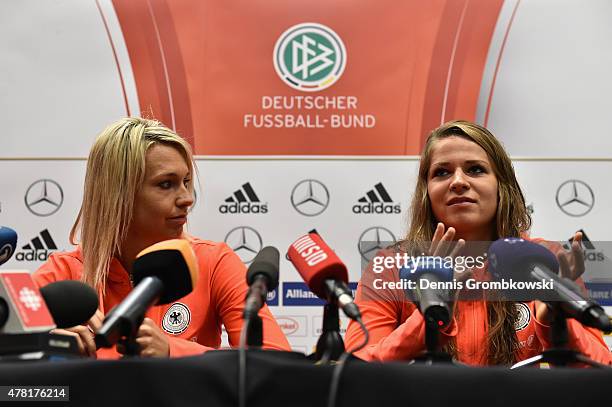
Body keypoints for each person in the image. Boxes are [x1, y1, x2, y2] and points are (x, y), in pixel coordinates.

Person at [344, 120, 611, 366]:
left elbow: (599, 369)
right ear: (427, 192)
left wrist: (554, 320)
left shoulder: (544, 260)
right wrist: (433, 313)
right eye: (441, 173)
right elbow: (359, 368)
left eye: (475, 169)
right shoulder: (391, 266)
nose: (458, 182)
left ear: (501, 185)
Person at [33, 117, 291, 359]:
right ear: (118, 194)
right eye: (166, 184)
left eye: (186, 182)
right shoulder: (63, 271)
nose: (187, 198)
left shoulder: (213, 261)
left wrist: (172, 351)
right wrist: (44, 347)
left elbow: (272, 361)